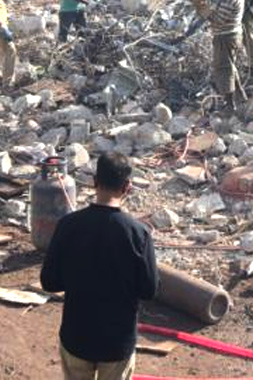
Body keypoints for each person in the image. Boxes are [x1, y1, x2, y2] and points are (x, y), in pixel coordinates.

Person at [40, 153, 158, 380]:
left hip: (77, 336)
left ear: (94, 181)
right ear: (127, 187)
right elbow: (149, 289)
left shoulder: (68, 225)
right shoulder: (138, 233)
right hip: (117, 342)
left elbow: (49, 282)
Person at [190, 0, 245, 111]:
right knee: (230, 66)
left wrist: (200, 7)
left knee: (223, 68)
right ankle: (241, 97)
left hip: (226, 36)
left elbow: (217, 20)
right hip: (232, 33)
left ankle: (230, 105)